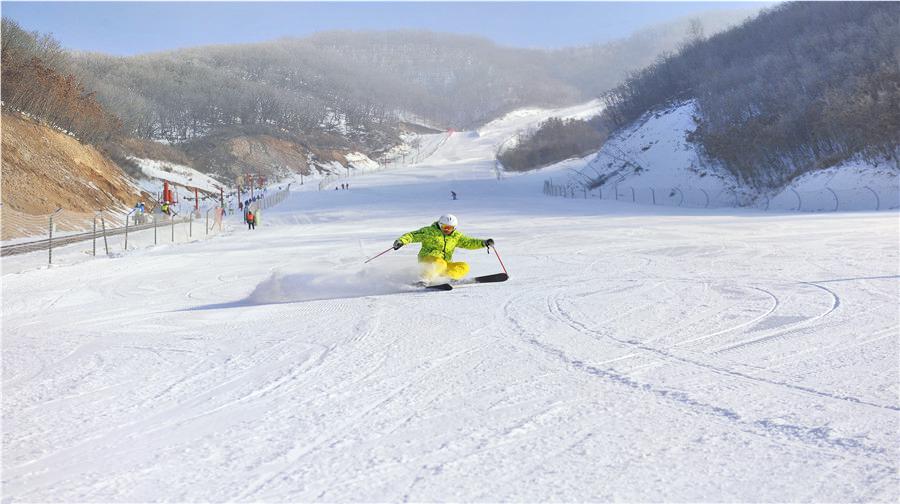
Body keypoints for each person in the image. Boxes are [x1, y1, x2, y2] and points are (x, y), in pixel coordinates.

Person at [392, 214, 494, 282]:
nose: (447, 230)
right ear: (440, 225)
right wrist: (401, 241)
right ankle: (424, 279)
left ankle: (446, 278)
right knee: (439, 262)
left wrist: (484, 243)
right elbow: (412, 235)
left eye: (450, 228)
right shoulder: (429, 232)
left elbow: (468, 242)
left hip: (445, 263)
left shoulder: (456, 236)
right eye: (445, 227)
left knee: (464, 266)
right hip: (428, 259)